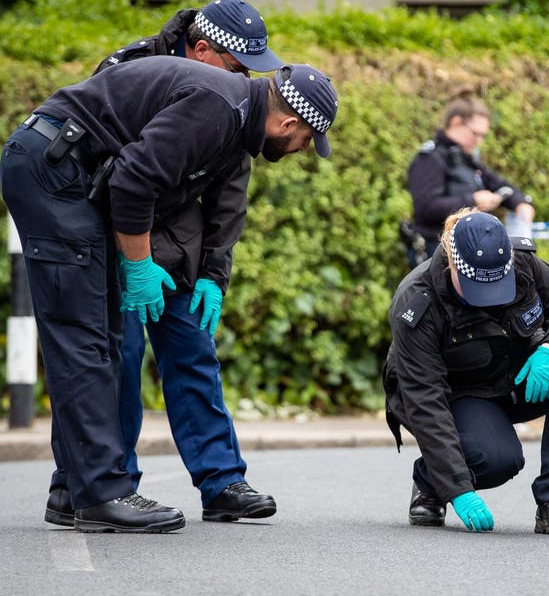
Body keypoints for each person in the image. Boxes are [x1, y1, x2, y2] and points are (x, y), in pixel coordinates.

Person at [1, 56, 338, 532]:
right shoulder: (219, 107)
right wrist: (139, 267)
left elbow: (202, 197)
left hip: (68, 171)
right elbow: (133, 182)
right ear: (288, 122)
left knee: (106, 340)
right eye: (307, 139)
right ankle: (102, 494)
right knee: (86, 338)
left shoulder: (235, 115)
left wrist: (210, 274)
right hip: (56, 169)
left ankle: (79, 492)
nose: (304, 149)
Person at [40, 0, 285, 530]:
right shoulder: (130, 66)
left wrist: (215, 274)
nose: (250, 81)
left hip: (179, 250)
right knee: (114, 360)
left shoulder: (236, 101)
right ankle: (98, 484)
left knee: (195, 352)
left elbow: (229, 194)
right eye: (241, 68)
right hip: (121, 241)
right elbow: (112, 177)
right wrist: (134, 261)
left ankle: (222, 483)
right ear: (202, 50)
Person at [382, 208, 549, 535]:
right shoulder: (417, 302)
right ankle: (430, 481)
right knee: (497, 461)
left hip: (514, 375)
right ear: (452, 264)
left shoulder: (523, 263)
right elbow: (426, 402)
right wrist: (458, 489)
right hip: (458, 396)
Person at [404, 88, 535, 268]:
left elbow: (499, 184)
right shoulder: (430, 159)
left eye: (483, 135)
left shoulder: (466, 159)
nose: (479, 141)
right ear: (456, 123)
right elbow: (426, 207)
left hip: (470, 253)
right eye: (475, 133)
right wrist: (472, 201)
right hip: (437, 256)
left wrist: (520, 203)